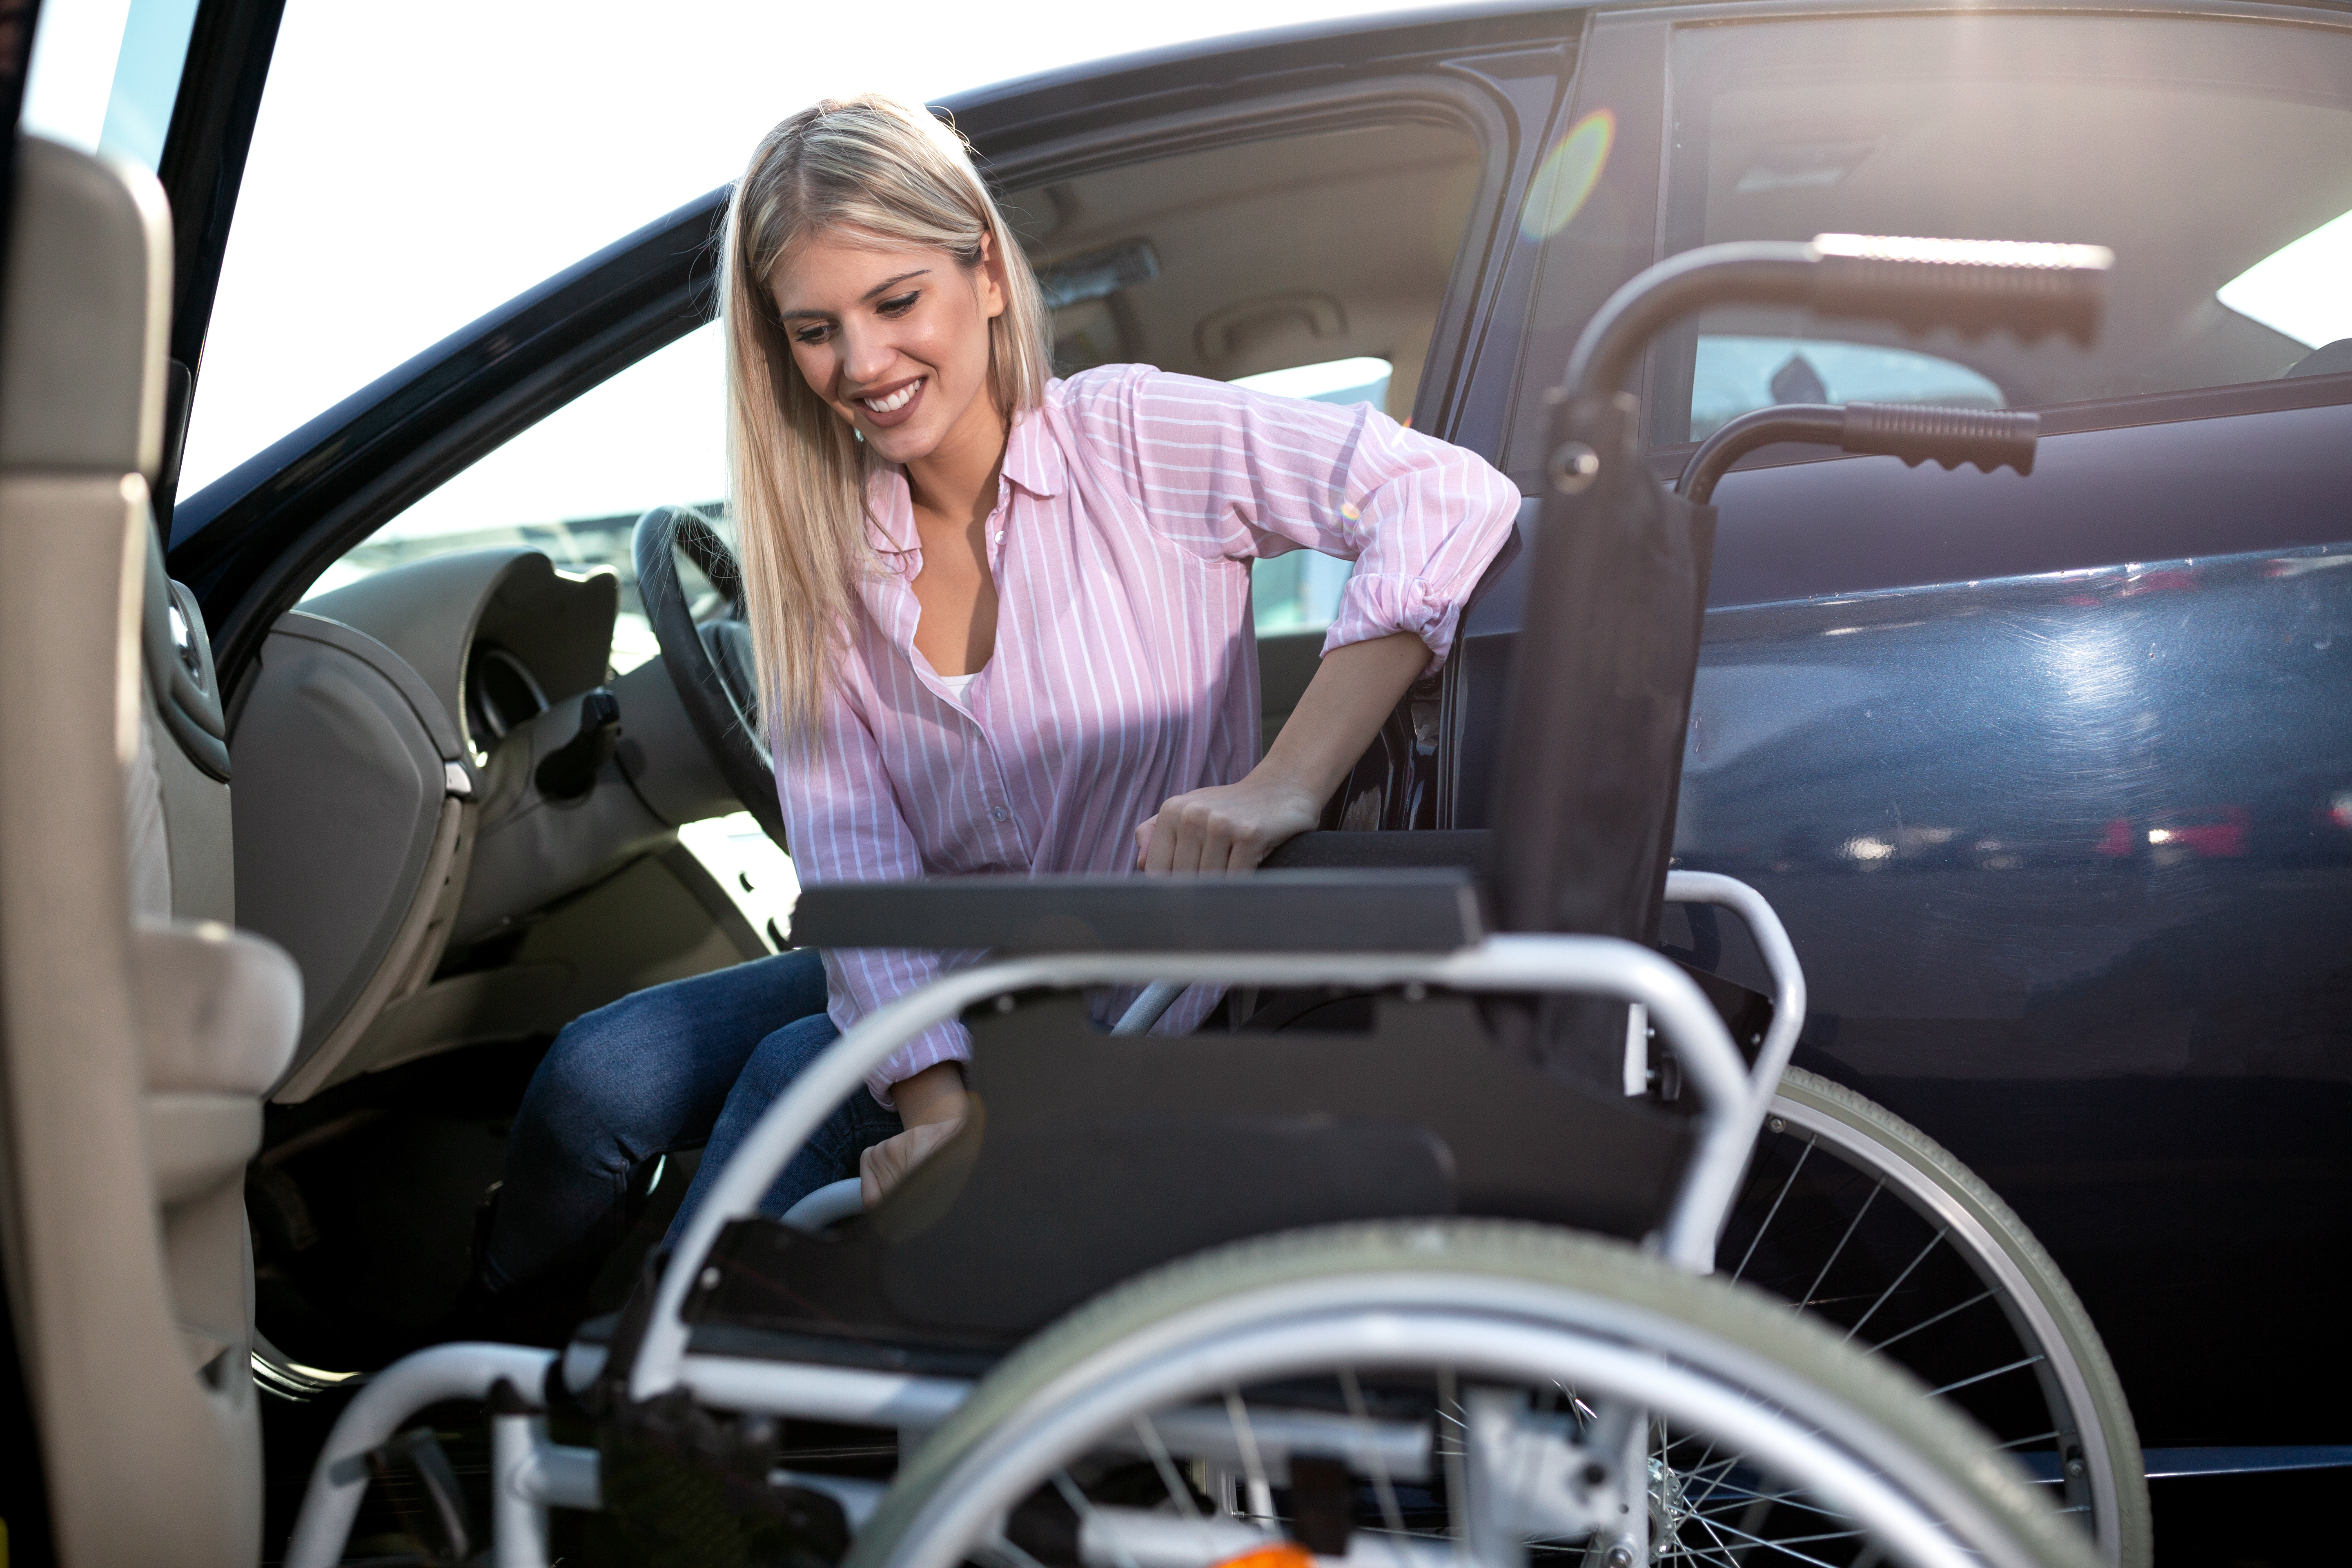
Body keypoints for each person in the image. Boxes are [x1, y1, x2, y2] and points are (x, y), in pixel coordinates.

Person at [470, 92, 1519, 1318]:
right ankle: (490, 1372)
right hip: (936, 959)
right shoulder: (819, 554)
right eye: (815, 330)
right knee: (596, 1073)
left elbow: (1441, 495)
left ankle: (671, 1422)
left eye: (895, 302)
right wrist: (936, 1103)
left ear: (984, 270)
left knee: (784, 1080)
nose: (861, 365)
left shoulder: (1131, 436)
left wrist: (1286, 778)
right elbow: (857, 858)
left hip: (1133, 991)